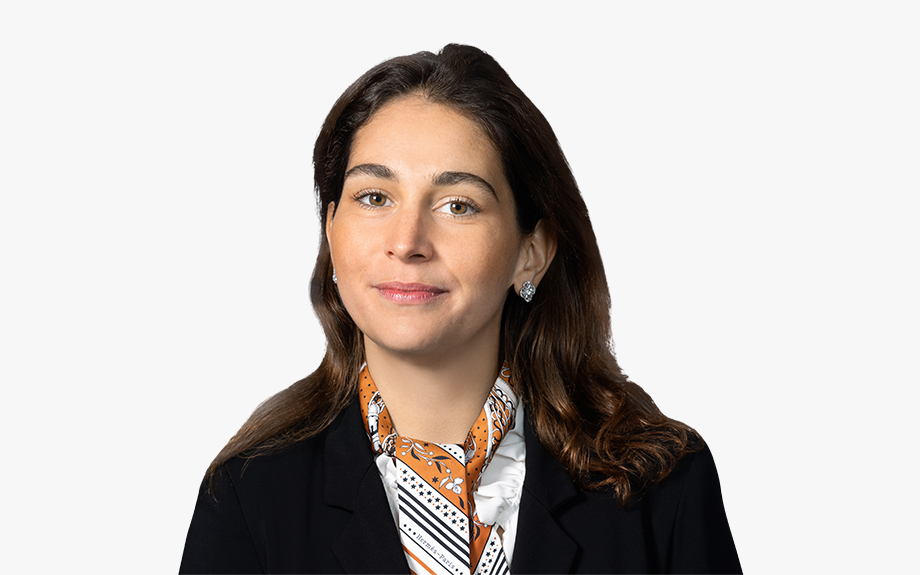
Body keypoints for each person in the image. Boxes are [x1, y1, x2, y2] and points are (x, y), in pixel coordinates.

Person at [179, 44, 741, 574]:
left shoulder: (661, 484)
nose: (407, 242)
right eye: (374, 197)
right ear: (331, 230)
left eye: (457, 205)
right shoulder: (249, 494)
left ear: (531, 252)